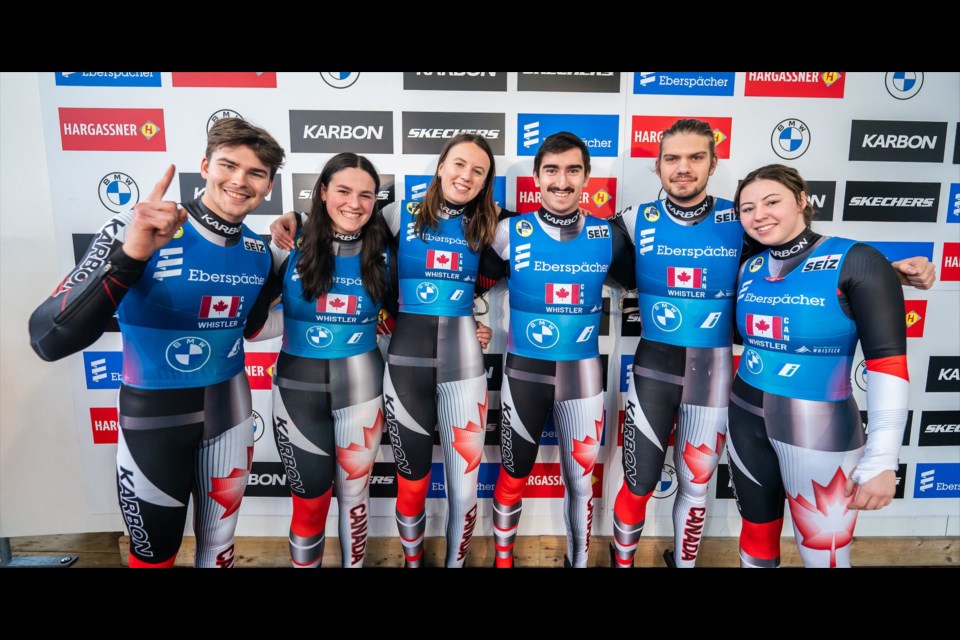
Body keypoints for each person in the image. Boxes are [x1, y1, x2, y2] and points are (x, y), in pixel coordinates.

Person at [608, 119, 936, 568]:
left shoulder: (737, 220)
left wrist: (883, 271)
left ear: (713, 163)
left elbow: (814, 258)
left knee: (698, 481)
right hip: (664, 373)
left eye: (695, 157)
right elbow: (569, 257)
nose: (683, 168)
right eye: (672, 158)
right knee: (641, 480)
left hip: (723, 378)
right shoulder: (632, 219)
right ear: (658, 165)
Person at [29, 118, 286, 567]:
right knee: (155, 553)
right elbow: (49, 338)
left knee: (220, 546)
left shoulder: (257, 252)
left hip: (230, 413)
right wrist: (131, 256)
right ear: (205, 166)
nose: (240, 181)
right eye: (229, 165)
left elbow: (252, 327)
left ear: (268, 187)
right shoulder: (139, 225)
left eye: (256, 173)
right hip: (154, 419)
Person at [270, 133, 499, 567]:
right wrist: (294, 217)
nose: (465, 176)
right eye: (458, 164)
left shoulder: (493, 224)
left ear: (487, 180)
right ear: (440, 166)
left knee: (464, 489)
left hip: (462, 363)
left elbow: (524, 260)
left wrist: (476, 317)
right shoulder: (395, 214)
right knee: (408, 483)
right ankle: (412, 561)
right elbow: (342, 226)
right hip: (399, 366)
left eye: (478, 170)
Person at [727, 164, 911, 568]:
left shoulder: (857, 260)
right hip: (744, 419)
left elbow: (888, 366)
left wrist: (882, 459)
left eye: (772, 201)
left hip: (821, 430)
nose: (760, 215)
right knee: (756, 540)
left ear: (802, 200)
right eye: (747, 208)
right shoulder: (749, 268)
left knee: (824, 554)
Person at [477, 131, 634, 568]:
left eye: (572, 170)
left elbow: (647, 282)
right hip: (524, 373)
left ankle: (578, 561)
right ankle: (502, 561)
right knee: (512, 474)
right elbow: (469, 281)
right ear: (536, 177)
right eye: (551, 170)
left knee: (581, 481)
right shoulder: (510, 229)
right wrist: (470, 320)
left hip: (582, 375)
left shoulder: (609, 235)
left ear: (586, 178)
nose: (561, 181)